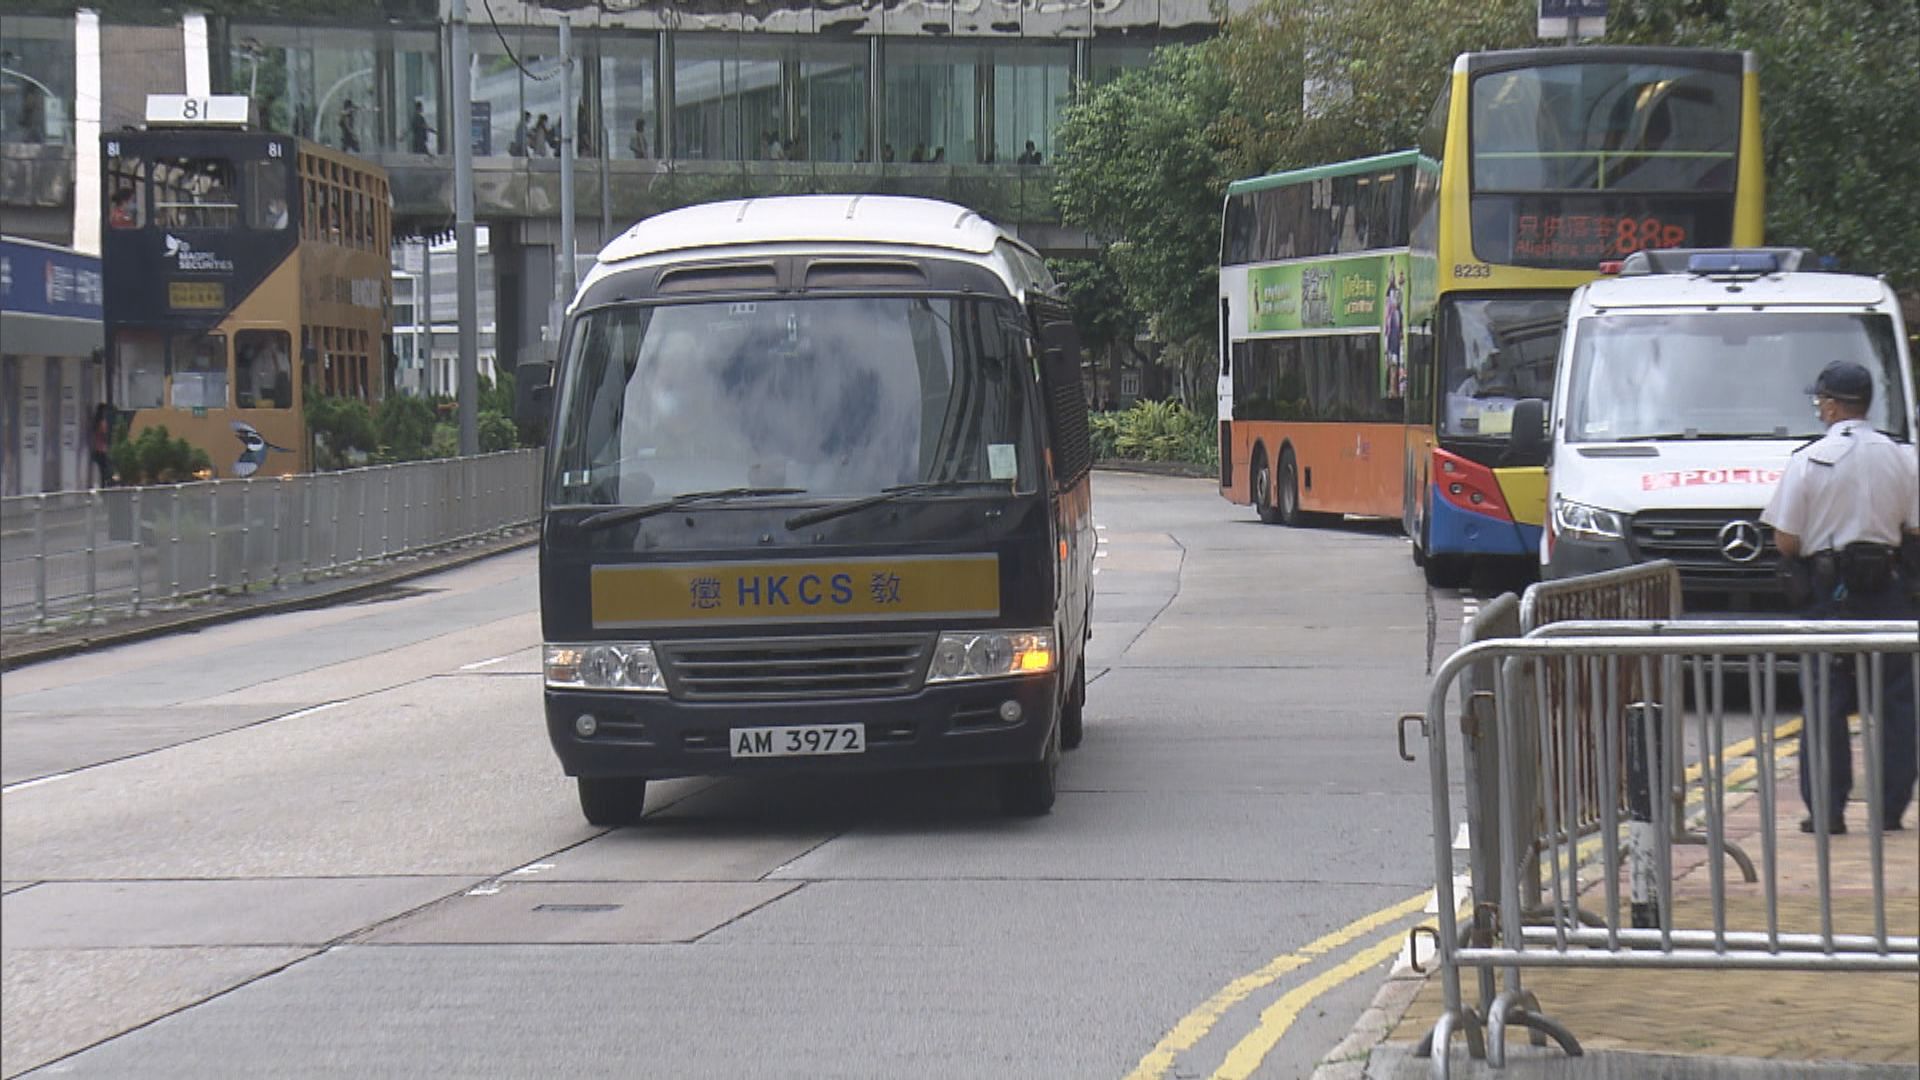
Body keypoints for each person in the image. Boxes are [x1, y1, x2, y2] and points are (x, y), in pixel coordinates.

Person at [1761, 360, 1920, 835]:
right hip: (1887, 588)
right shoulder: (1904, 457)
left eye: (1820, 401)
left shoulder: (1808, 459)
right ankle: (1891, 810)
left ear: (1831, 405)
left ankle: (1828, 812)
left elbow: (1787, 540)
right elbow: (1914, 527)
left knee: (1827, 701)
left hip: (1830, 592)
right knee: (1895, 701)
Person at [90, 404, 114, 487]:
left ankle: (102, 485)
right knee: (105, 471)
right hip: (102, 449)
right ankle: (104, 487)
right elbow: (104, 435)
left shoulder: (95, 422)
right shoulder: (102, 422)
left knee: (101, 470)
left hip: (96, 449)